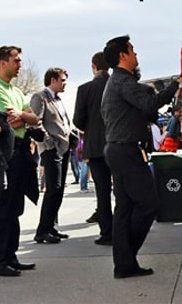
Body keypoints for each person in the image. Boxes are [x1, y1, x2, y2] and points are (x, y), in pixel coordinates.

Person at [101, 36, 179, 279]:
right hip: (125, 151)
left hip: (119, 149)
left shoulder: (118, 82)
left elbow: (141, 111)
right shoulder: (123, 81)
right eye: (132, 50)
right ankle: (125, 257)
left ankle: (124, 263)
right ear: (123, 56)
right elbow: (149, 103)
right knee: (148, 204)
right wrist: (175, 85)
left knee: (124, 207)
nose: (136, 54)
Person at [0, 45, 39, 277]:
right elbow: (8, 121)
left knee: (15, 206)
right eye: (16, 60)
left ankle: (11, 255)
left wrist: (24, 116)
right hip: (8, 152)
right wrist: (24, 119)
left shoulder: (16, 90)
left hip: (22, 150)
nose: (20, 64)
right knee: (2, 206)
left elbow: (31, 118)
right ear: (3, 62)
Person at [30, 67, 75, 244]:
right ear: (53, 80)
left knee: (59, 189)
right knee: (53, 189)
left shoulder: (59, 100)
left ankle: (51, 227)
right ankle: (43, 230)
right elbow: (35, 122)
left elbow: (62, 122)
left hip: (63, 148)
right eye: (63, 80)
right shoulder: (40, 97)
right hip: (51, 149)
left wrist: (70, 136)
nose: (65, 83)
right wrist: (49, 143)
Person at [74, 51, 112, 245]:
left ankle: (107, 233)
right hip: (118, 145)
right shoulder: (117, 85)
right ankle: (125, 229)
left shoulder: (84, 89)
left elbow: (78, 120)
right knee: (122, 190)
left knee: (102, 192)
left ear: (93, 66)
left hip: (96, 147)